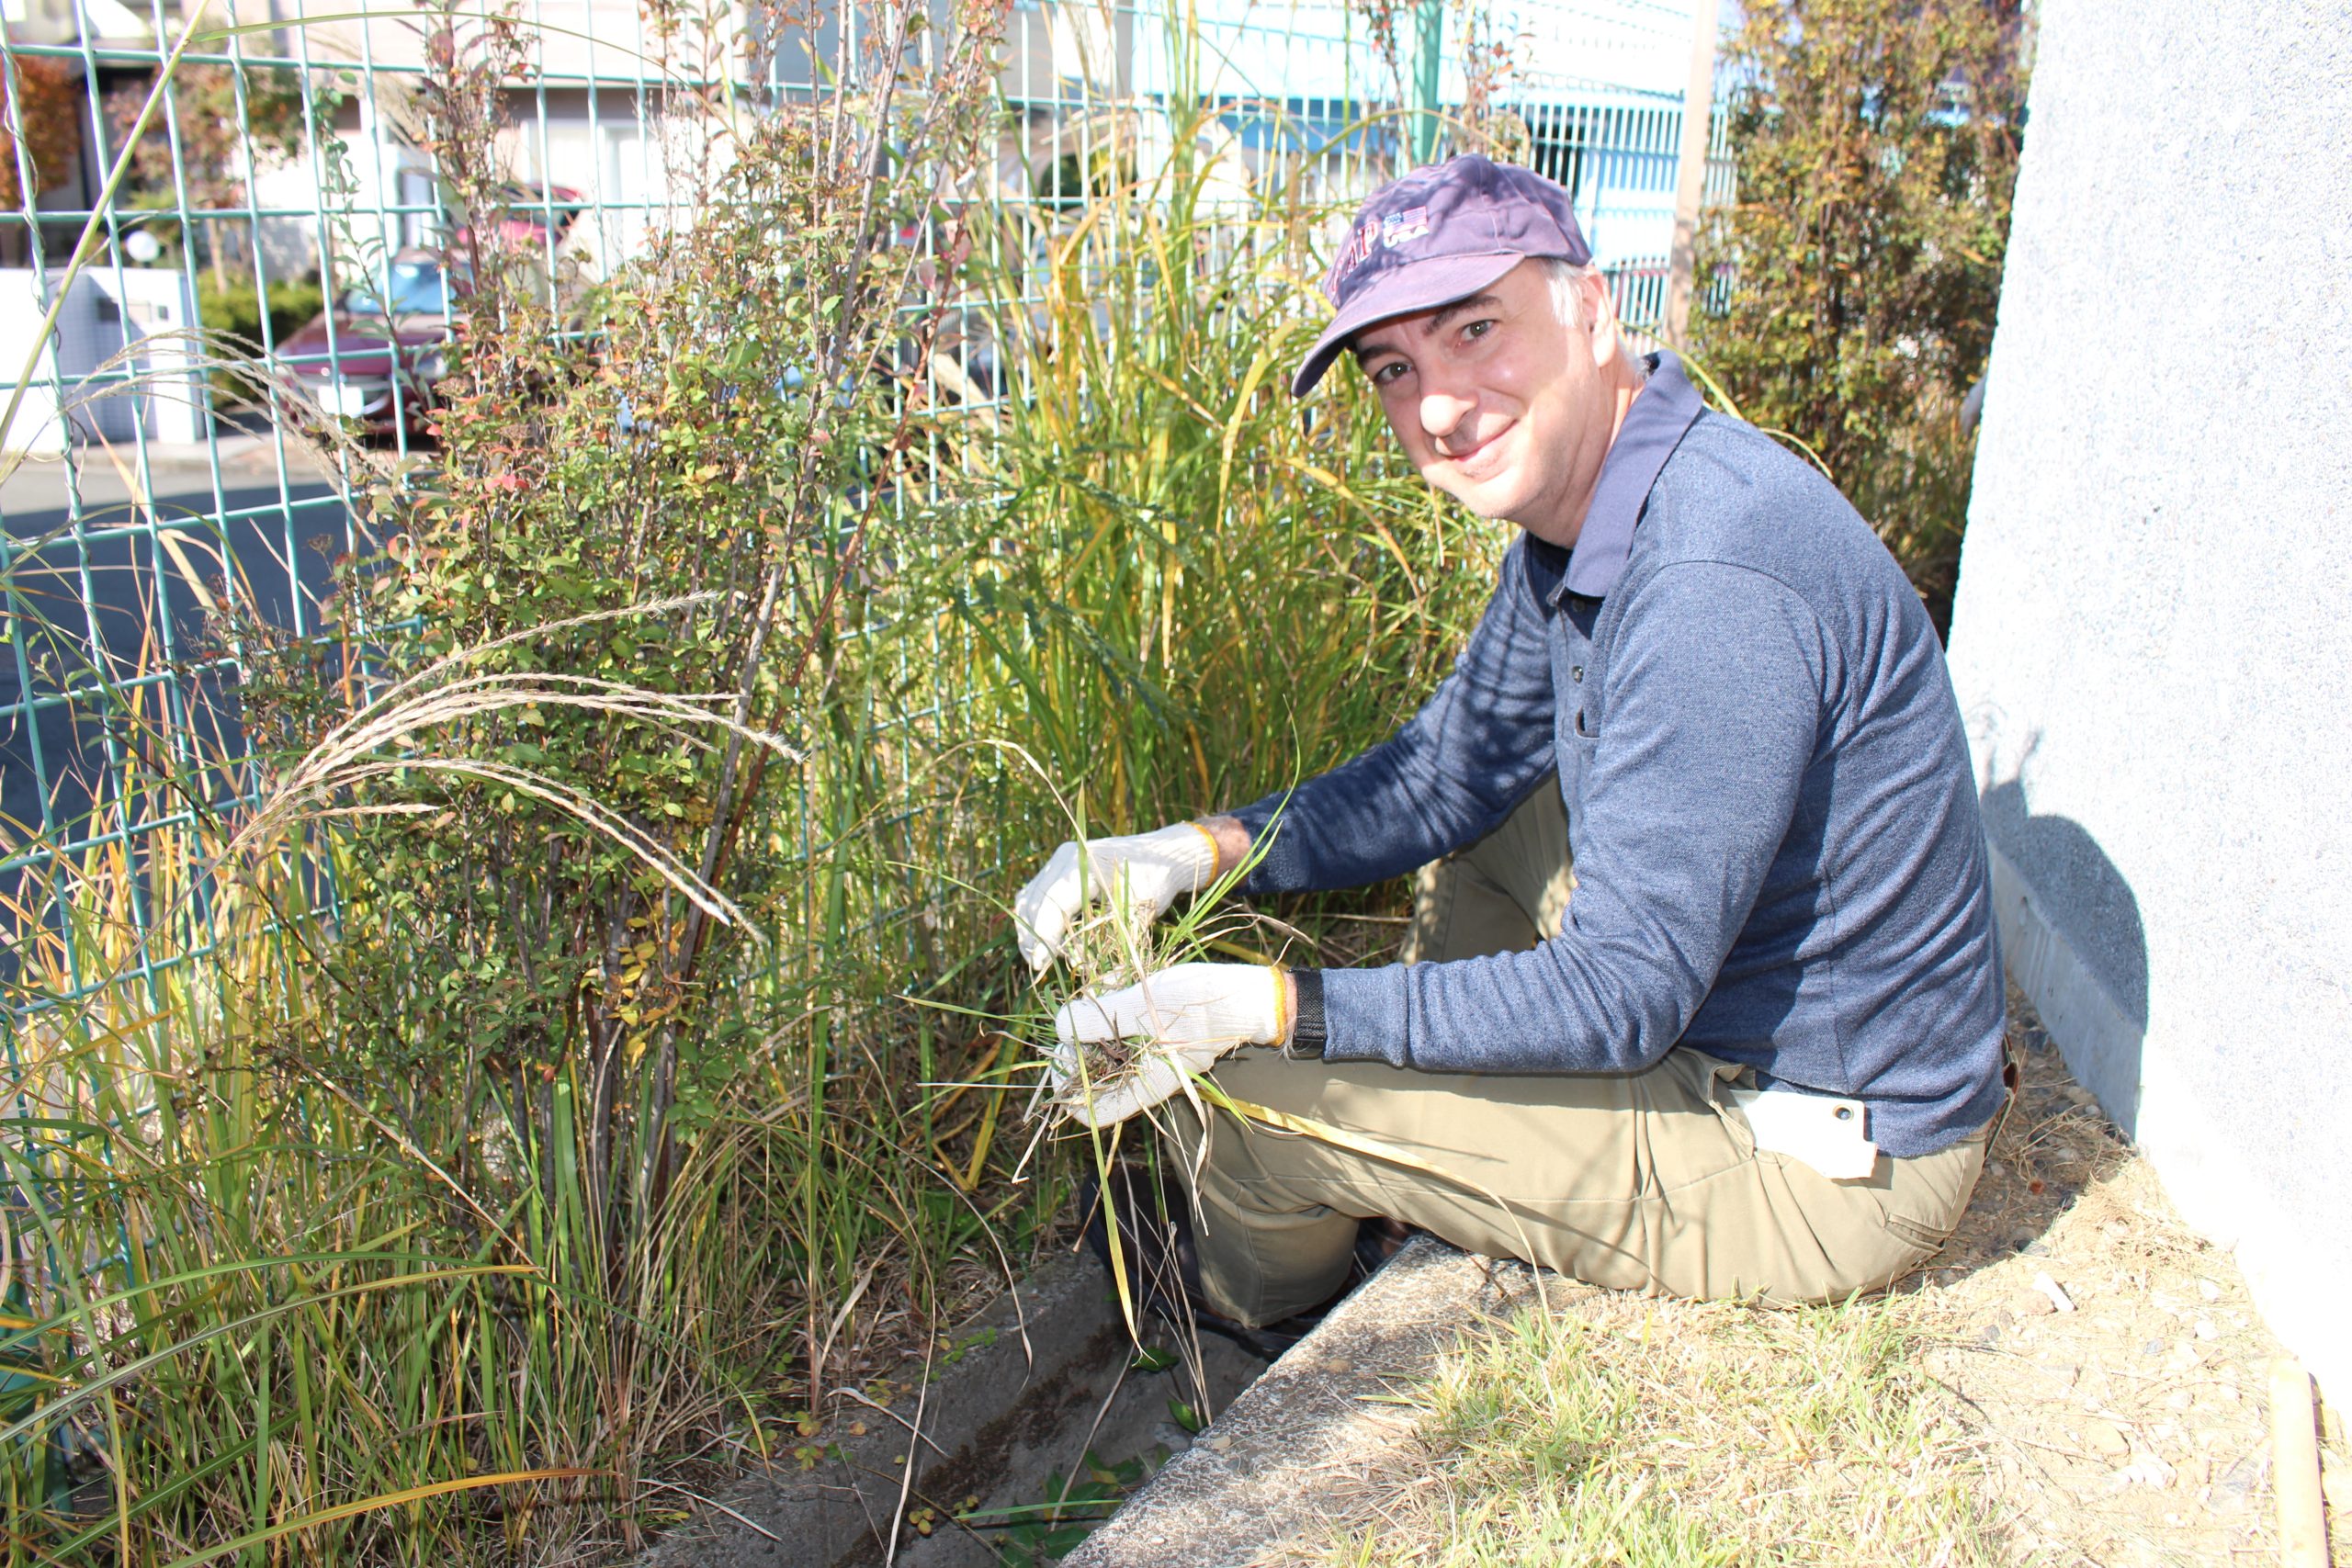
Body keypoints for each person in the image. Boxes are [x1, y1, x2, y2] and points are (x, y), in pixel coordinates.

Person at [1012, 154, 2008, 1334]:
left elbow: (1620, 993)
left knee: (1250, 1100)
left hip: (1821, 1155)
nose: (1437, 405)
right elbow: (1443, 775)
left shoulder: (1711, 577)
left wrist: (1268, 1007)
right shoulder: (1602, 509)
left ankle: (1237, 1324)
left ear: (1592, 311)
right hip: (1738, 1019)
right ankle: (1425, 1162)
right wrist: (1188, 849)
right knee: (1495, 817)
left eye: (1474, 330)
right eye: (1395, 369)